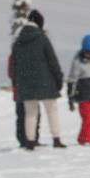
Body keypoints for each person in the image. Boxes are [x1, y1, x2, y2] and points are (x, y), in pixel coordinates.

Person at [11, 9, 66, 150]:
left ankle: (30, 142)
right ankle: (56, 139)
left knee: (30, 112)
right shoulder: (42, 39)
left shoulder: (17, 42)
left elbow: (14, 66)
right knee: (52, 110)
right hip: (45, 82)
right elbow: (52, 61)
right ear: (39, 23)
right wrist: (59, 80)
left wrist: (16, 85)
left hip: (25, 84)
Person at [67, 35, 90, 146]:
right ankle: (87, 140)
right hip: (83, 96)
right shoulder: (77, 62)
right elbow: (72, 80)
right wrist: (71, 98)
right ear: (83, 50)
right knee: (88, 119)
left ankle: (84, 139)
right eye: (87, 52)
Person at [8, 53, 40, 148]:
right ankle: (29, 139)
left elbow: (10, 73)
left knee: (24, 115)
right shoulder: (29, 54)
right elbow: (11, 73)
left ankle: (27, 139)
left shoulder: (15, 53)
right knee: (31, 114)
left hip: (21, 90)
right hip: (27, 91)